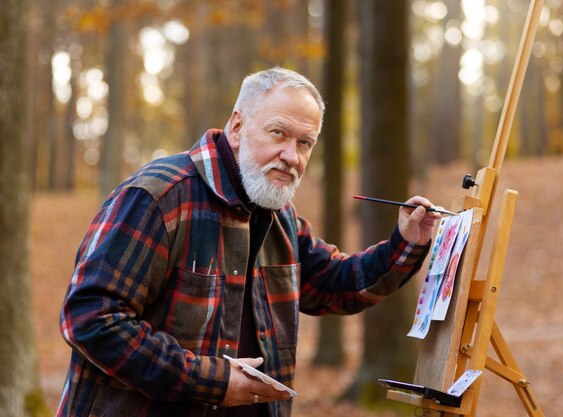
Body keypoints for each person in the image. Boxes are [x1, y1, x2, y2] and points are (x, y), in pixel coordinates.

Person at [58, 67, 440, 417]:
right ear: (237, 127)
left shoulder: (277, 213)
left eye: (305, 143)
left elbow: (333, 284)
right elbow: (91, 319)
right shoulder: (160, 196)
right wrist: (211, 380)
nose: (291, 156)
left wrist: (403, 243)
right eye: (279, 133)